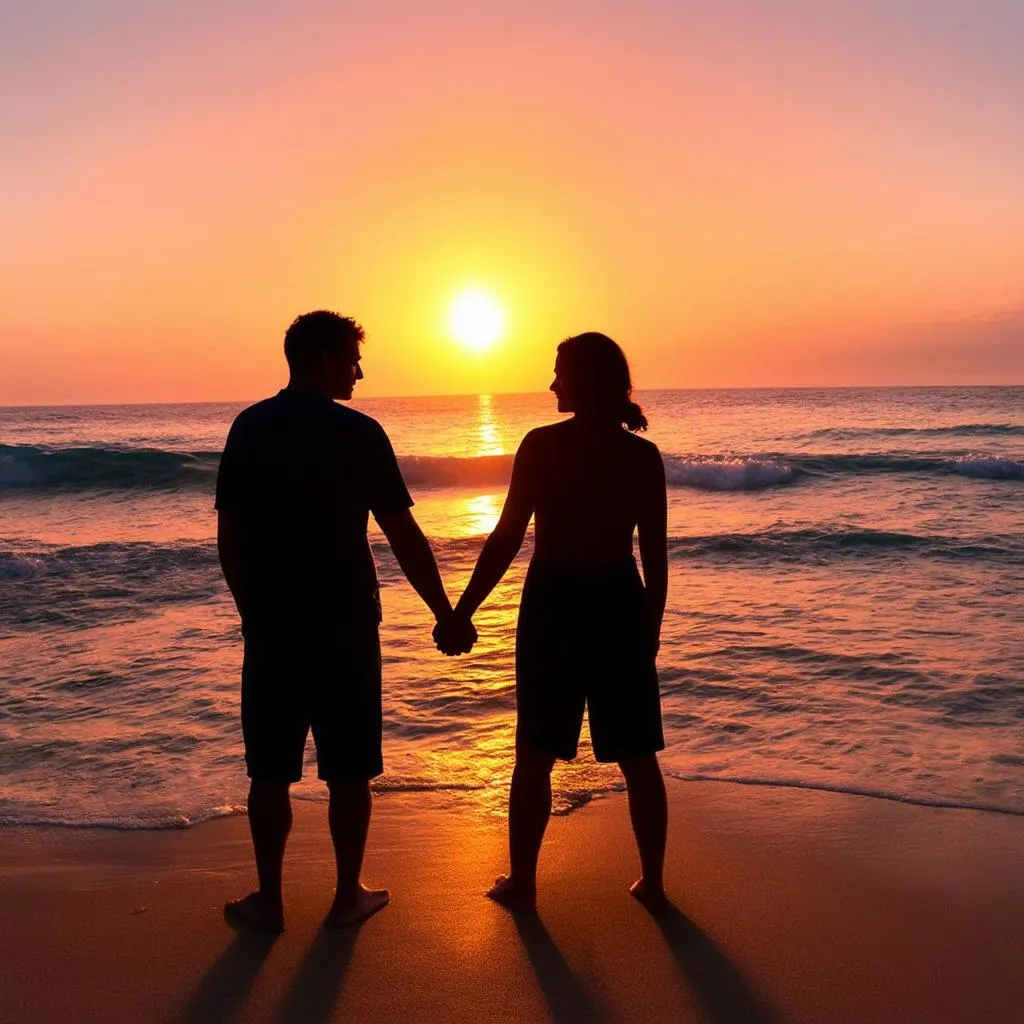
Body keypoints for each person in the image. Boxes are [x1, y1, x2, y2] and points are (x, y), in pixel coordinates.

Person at [216, 310, 475, 933]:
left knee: (270, 770)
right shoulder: (358, 432)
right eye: (353, 360)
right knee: (349, 767)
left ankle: (271, 900)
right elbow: (404, 535)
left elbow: (230, 536)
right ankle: (345, 895)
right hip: (346, 622)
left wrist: (251, 610)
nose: (360, 372)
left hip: (273, 623)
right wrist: (446, 614)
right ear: (327, 358)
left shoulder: (250, 427)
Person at [436, 332, 669, 912]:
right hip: (619, 602)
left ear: (585, 379)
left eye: (560, 372)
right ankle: (654, 884)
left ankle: (524, 882)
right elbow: (656, 560)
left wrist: (462, 612)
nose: (552, 382)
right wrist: (650, 631)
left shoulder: (541, 446)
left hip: (555, 605)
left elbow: (507, 537)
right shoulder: (640, 456)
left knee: (535, 752)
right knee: (638, 755)